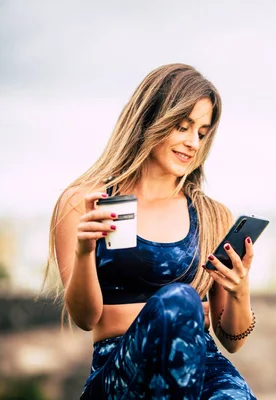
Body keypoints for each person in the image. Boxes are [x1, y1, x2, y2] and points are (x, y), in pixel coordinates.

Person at [44, 63, 258, 399]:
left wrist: (239, 290)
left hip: (203, 365)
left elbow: (232, 341)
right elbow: (86, 319)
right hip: (122, 368)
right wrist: (85, 252)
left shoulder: (211, 215)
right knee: (183, 298)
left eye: (202, 133)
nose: (192, 143)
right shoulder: (87, 201)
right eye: (182, 127)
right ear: (150, 120)